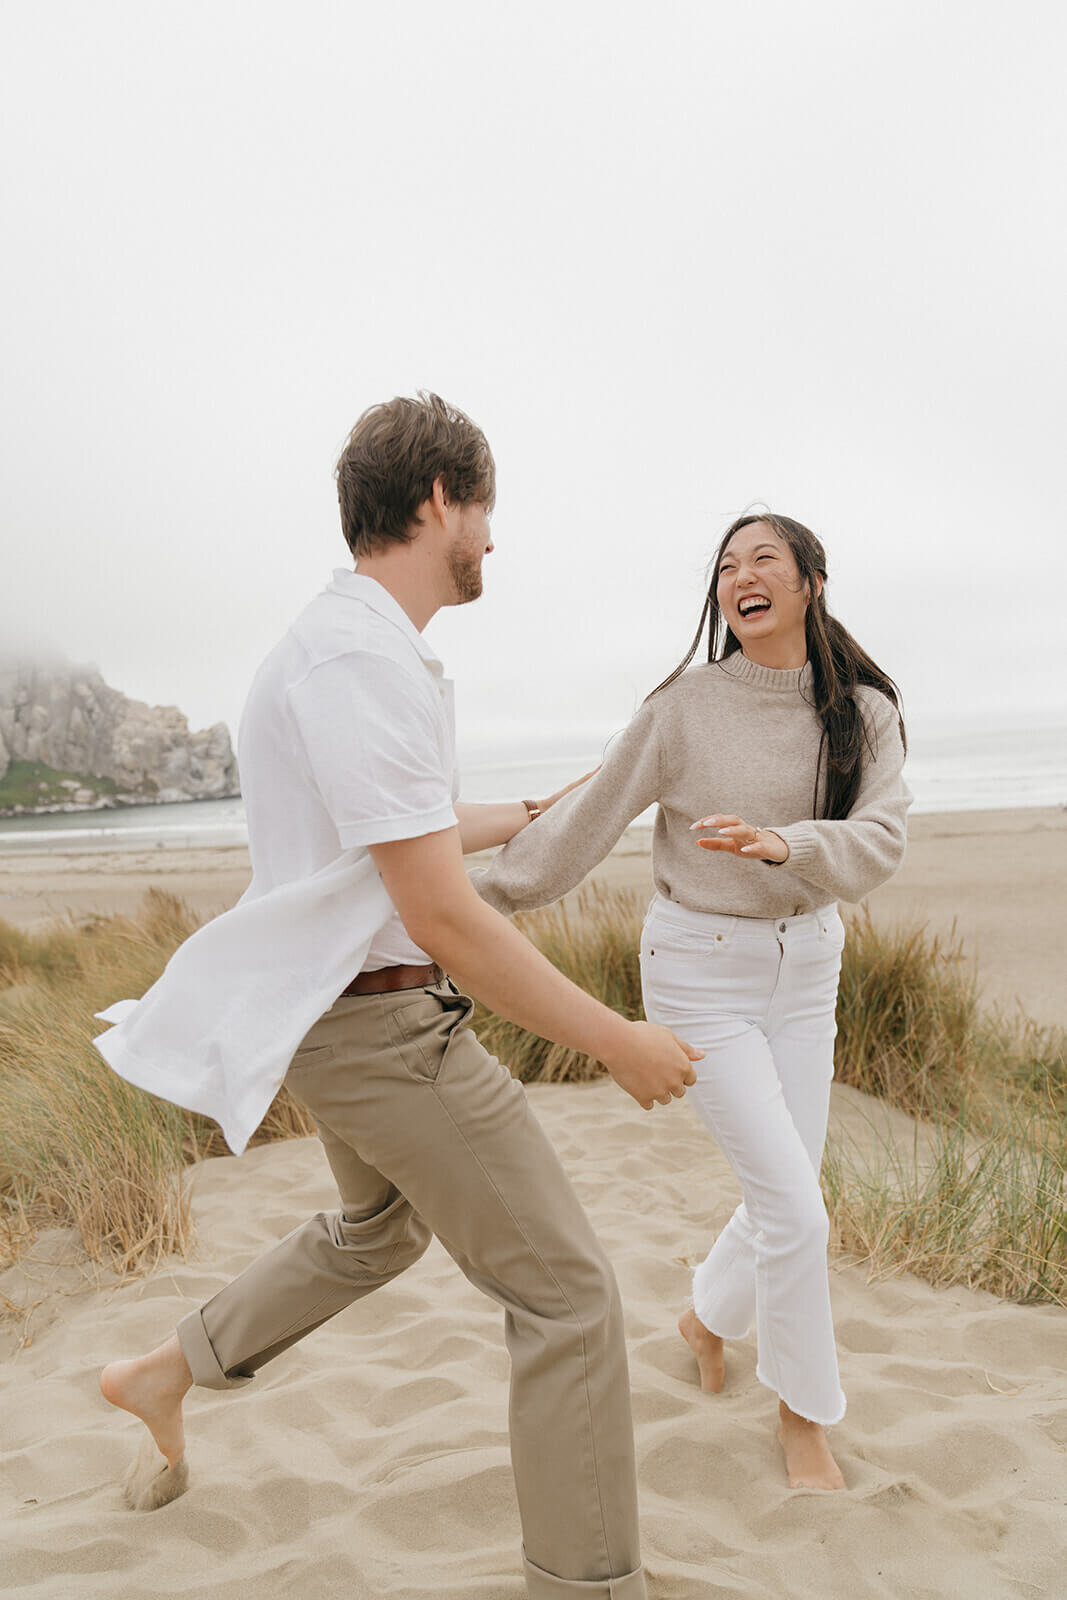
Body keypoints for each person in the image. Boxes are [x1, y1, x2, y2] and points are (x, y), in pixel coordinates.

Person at [97, 393, 701, 1599]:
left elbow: (390, 829)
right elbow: (439, 915)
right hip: (381, 1025)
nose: (491, 538)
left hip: (337, 1017)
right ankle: (588, 1584)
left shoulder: (345, 646)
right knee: (569, 1294)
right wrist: (615, 1039)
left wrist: (535, 810)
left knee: (383, 1228)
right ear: (438, 502)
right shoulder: (359, 658)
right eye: (483, 509)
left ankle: (170, 1367)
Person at [474, 511, 911, 1492]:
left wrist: (784, 842)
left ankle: (705, 1318)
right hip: (696, 972)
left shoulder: (865, 710)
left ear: (807, 581)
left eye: (762, 559)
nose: (739, 576)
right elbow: (586, 822)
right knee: (797, 1213)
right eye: (723, 565)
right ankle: (803, 1420)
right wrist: (462, 903)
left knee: (784, 1193)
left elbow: (881, 836)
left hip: (807, 970)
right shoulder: (680, 707)